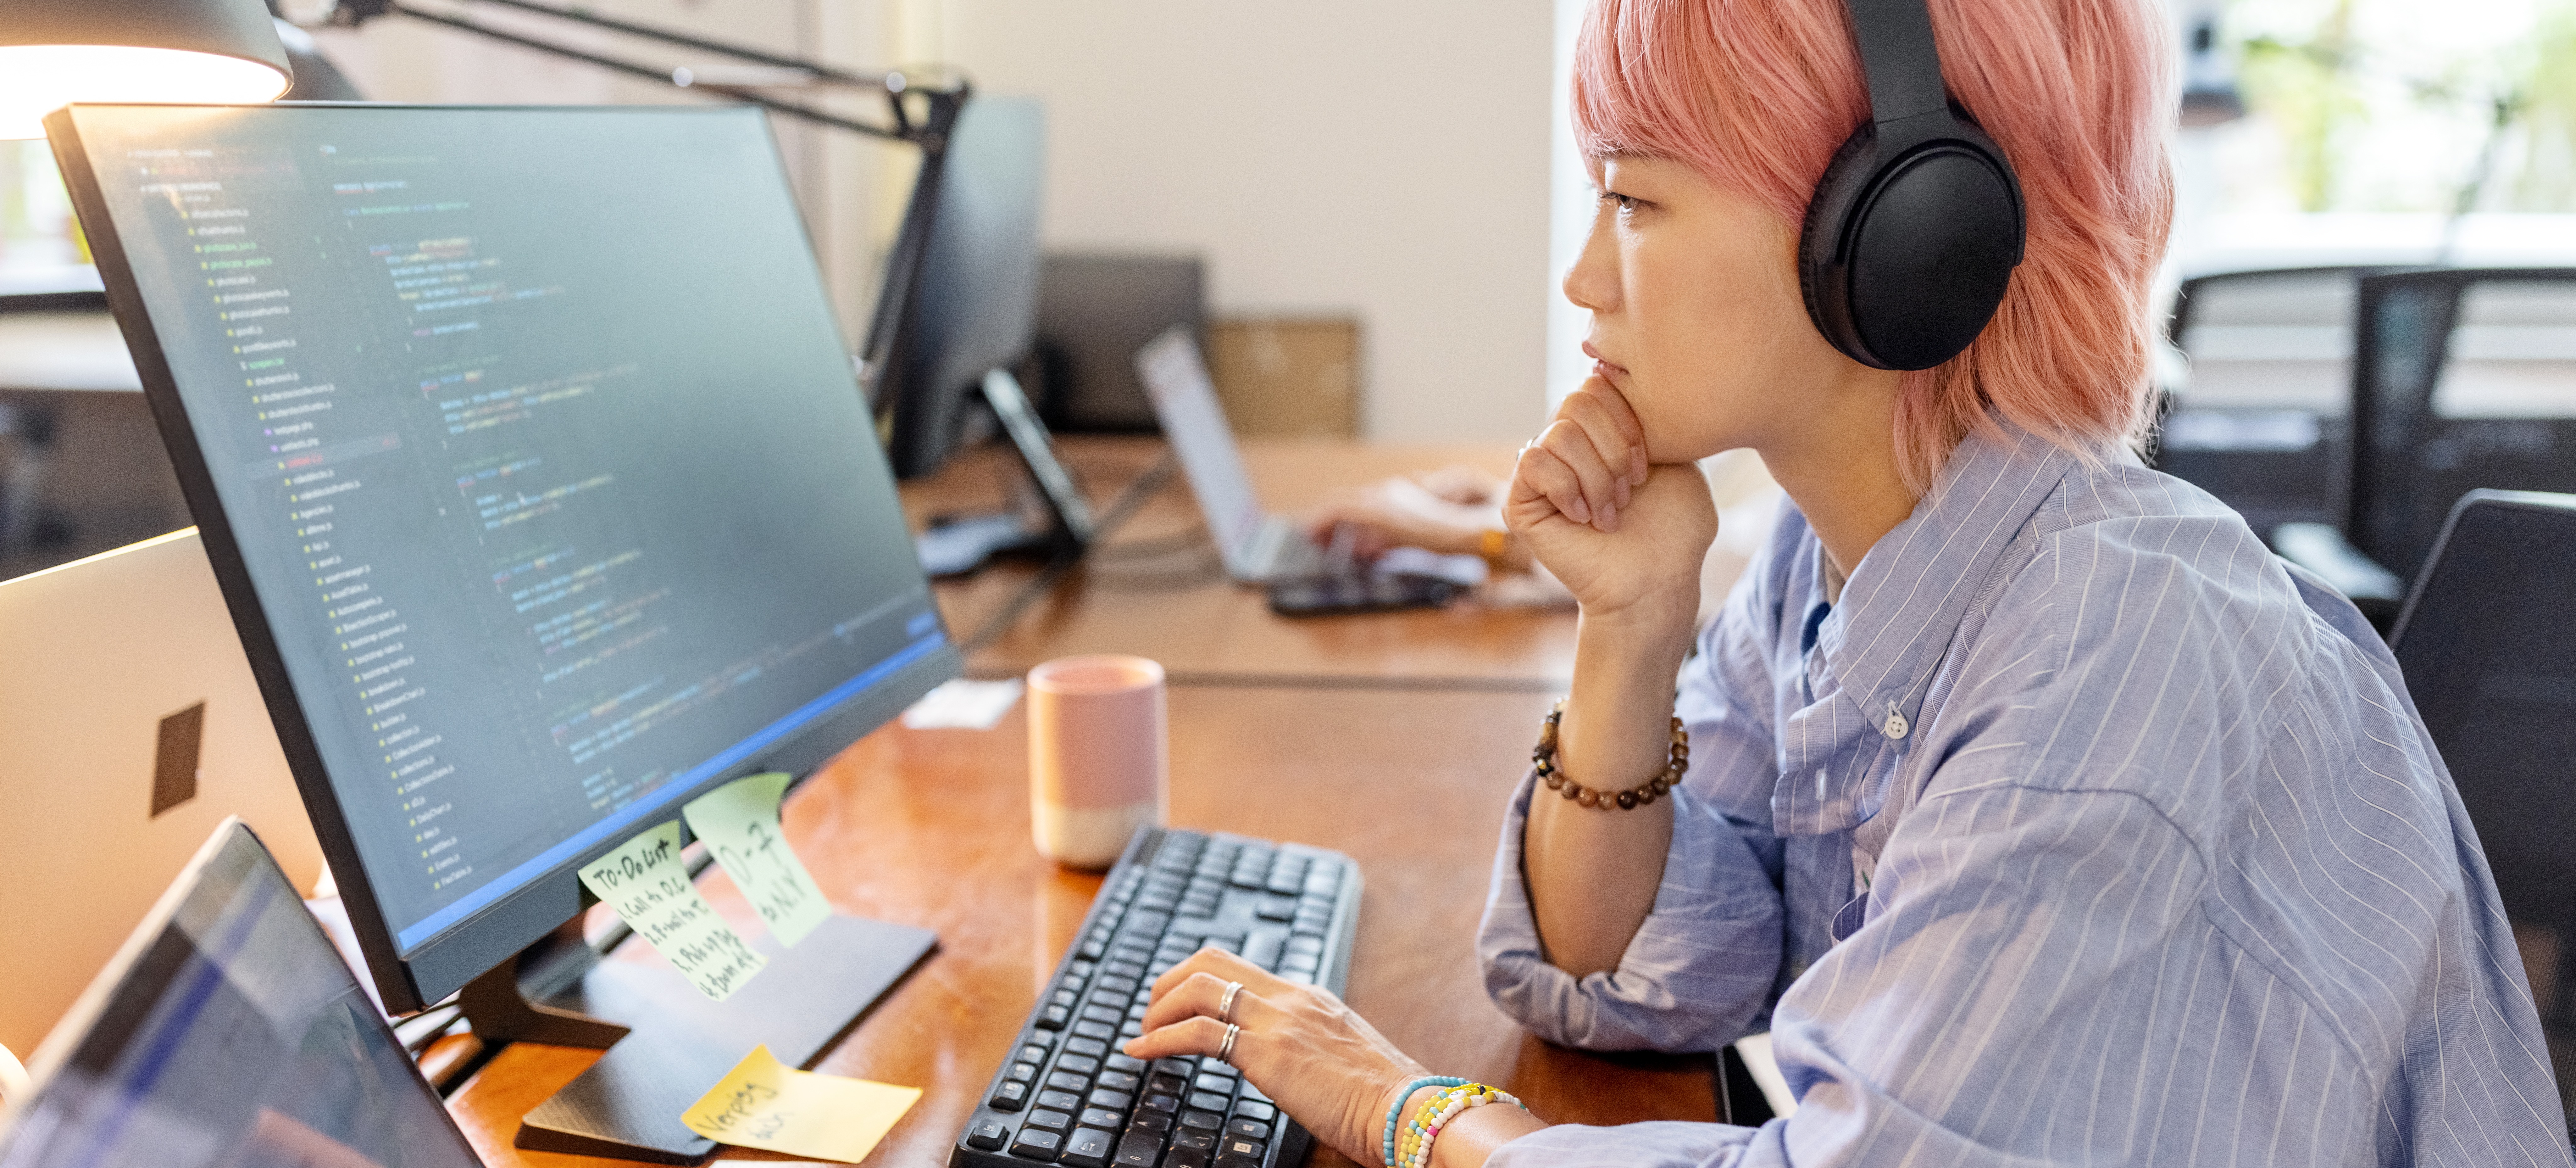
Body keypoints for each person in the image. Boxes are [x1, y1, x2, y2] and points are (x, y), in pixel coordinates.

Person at [1125, 0, 2569, 1163]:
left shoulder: (2118, 657)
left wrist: (1407, 1110)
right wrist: (1628, 627)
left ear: (1896, 234)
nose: (1581, 277)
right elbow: (1619, 973)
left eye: (1633, 199)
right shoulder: (1823, 566)